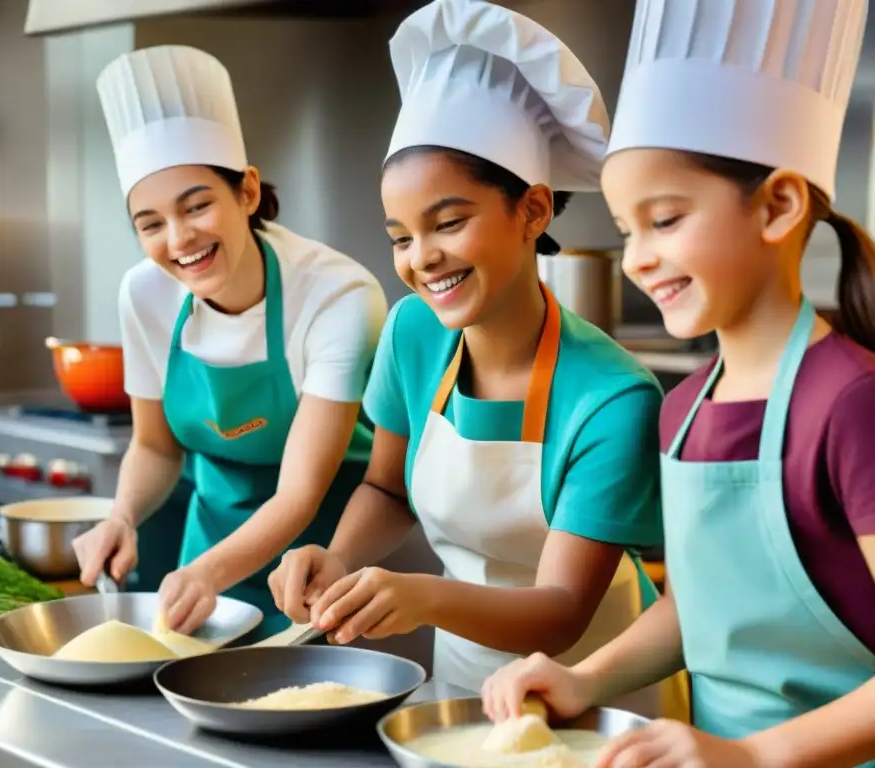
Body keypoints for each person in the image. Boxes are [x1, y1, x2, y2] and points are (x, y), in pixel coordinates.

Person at [482, 0, 875, 765]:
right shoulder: (685, 410)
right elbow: (697, 608)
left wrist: (756, 757)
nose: (636, 260)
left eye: (665, 221)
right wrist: (581, 679)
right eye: (628, 232)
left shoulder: (852, 404)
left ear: (779, 206)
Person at [267, 0, 685, 717]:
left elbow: (558, 613)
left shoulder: (613, 397)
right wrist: (338, 559)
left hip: (603, 699)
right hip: (462, 683)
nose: (421, 259)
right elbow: (388, 489)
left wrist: (421, 595)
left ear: (533, 210)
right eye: (400, 235)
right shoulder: (411, 334)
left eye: (449, 222)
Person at [72, 45, 388, 640]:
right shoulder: (144, 294)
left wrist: (204, 573)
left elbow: (298, 493)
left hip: (325, 557)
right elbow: (156, 446)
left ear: (245, 191)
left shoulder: (337, 295)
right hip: (212, 541)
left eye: (197, 207)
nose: (179, 239)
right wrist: (123, 515)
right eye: (151, 223)